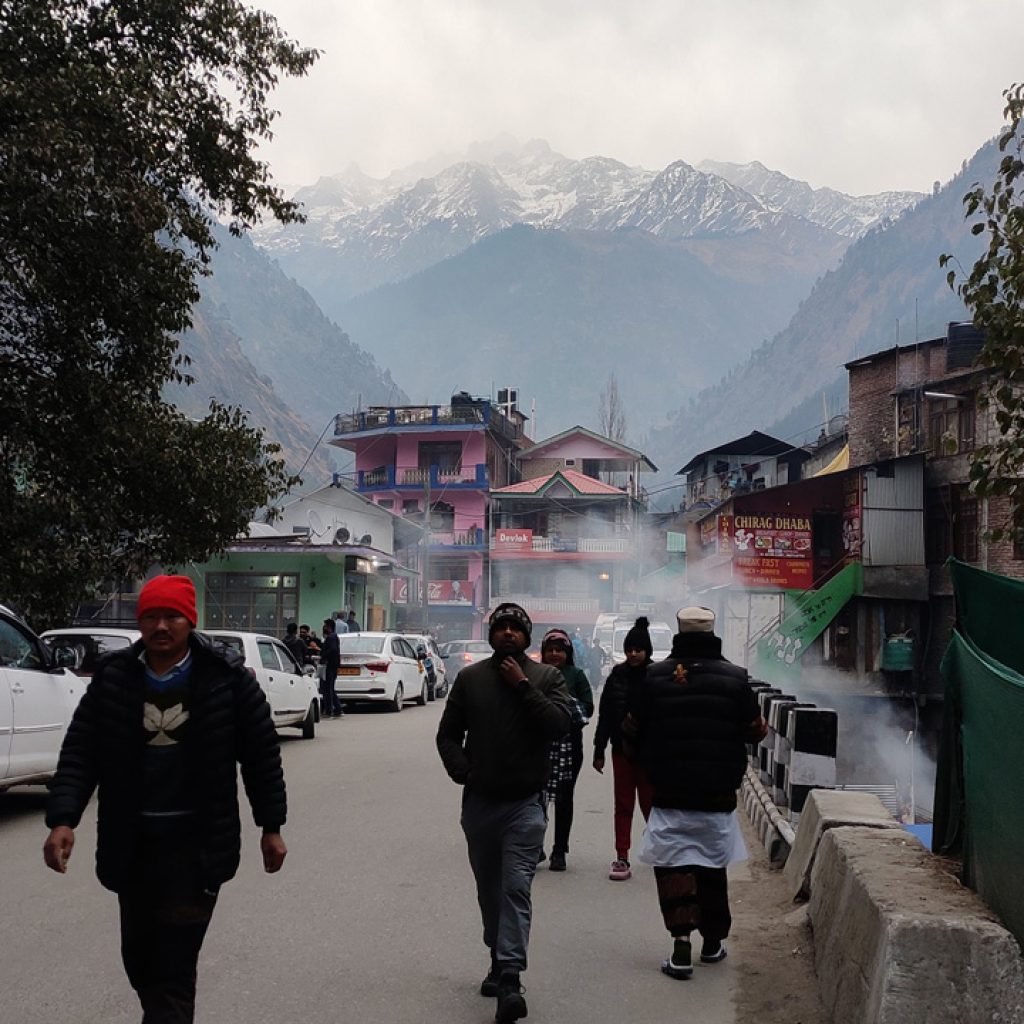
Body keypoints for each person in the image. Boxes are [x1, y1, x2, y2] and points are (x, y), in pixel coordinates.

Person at [42, 574, 287, 1023]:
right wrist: (63, 820)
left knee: (172, 967)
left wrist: (271, 827)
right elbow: (81, 751)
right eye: (151, 616)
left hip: (196, 847)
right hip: (132, 843)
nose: (160, 626)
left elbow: (261, 756)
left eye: (171, 616)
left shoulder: (226, 679)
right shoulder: (115, 678)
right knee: (139, 959)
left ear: (190, 621)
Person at [436, 603, 573, 1024]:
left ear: (527, 637)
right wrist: (463, 770)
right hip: (480, 804)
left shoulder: (547, 678)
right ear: (492, 634)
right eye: (502, 627)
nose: (509, 633)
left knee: (515, 887)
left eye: (517, 628)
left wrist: (521, 686)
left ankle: (511, 978)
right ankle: (497, 954)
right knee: (489, 890)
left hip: (525, 805)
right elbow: (447, 736)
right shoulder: (470, 679)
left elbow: (559, 725)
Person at [626, 605, 767, 980]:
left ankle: (681, 946)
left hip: (670, 790)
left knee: (674, 866)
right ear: (712, 632)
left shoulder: (654, 678)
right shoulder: (736, 679)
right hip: (717, 792)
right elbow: (755, 730)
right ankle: (713, 942)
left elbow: (631, 730)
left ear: (678, 632)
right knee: (710, 866)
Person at [592, 616, 655, 881]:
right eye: (629, 650)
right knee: (623, 804)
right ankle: (622, 856)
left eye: (638, 650)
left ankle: (658, 848)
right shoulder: (617, 675)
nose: (633, 654)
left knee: (652, 805)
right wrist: (599, 749)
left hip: (651, 753)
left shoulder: (658, 676)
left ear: (646, 651)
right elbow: (605, 713)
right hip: (621, 750)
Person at [538, 627, 593, 872]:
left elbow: (589, 707)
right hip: (538, 745)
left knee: (563, 799)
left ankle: (560, 850)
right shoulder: (535, 674)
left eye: (559, 650)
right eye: (549, 650)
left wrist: (564, 704)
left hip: (570, 746)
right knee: (536, 799)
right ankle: (534, 848)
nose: (554, 654)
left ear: (567, 652)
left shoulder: (577, 675)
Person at [320, 618, 343, 718]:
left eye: (325, 626)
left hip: (330, 665)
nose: (323, 628)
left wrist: (324, 657)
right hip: (333, 665)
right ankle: (337, 708)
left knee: (328, 688)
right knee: (330, 688)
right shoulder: (332, 637)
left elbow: (332, 650)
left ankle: (330, 710)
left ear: (329, 627)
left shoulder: (331, 637)